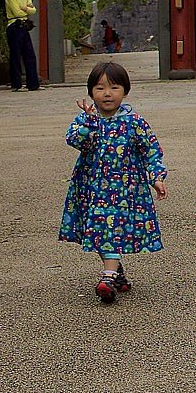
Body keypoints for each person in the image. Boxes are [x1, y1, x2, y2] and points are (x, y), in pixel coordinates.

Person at [59, 62, 168, 304]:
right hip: (91, 187)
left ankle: (107, 277)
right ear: (91, 92)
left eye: (114, 87)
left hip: (125, 190)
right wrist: (89, 123)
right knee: (98, 230)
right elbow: (74, 140)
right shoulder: (86, 120)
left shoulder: (134, 122)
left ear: (125, 91)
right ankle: (115, 271)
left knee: (109, 228)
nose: (107, 94)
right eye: (100, 88)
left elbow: (151, 151)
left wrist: (157, 177)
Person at [5, 0, 40, 91]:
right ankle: (16, 84)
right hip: (14, 25)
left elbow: (33, 10)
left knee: (30, 55)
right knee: (16, 55)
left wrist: (25, 8)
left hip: (24, 25)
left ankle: (33, 84)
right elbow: (17, 12)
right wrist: (27, 9)